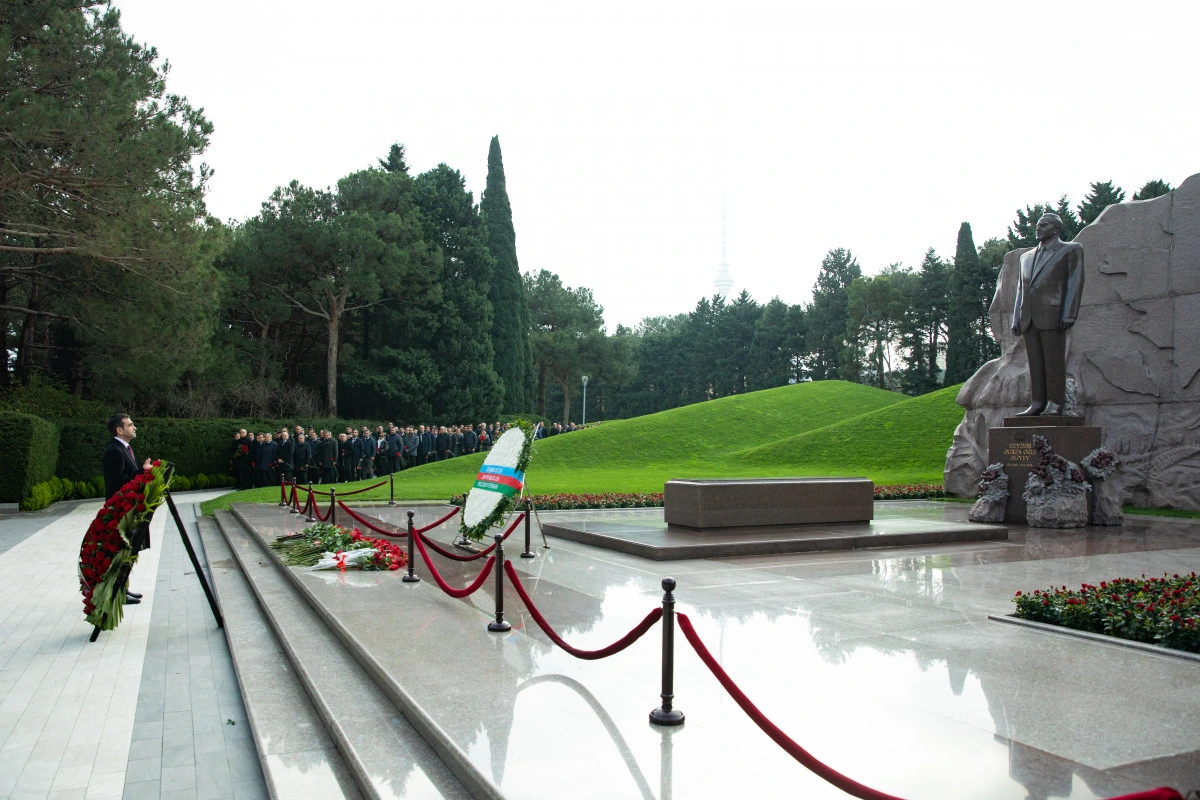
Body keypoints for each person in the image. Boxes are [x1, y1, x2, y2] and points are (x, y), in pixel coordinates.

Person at [1011, 212, 1085, 416]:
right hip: (1029, 317)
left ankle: (1055, 403)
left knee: (1054, 361)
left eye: (1043, 225)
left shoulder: (1071, 250)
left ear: (1056, 229)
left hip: (1053, 315)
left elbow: (1075, 282)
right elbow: (1021, 289)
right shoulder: (1025, 258)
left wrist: (1069, 313)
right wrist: (1016, 317)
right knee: (1035, 363)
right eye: (1037, 225)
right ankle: (1037, 403)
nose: (1038, 228)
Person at [103, 413, 152, 605]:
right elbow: (119, 482)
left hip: (129, 508)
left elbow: (128, 475)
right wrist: (141, 472)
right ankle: (119, 590)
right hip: (121, 510)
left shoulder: (124, 448)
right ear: (119, 429)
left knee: (127, 551)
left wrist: (141, 471)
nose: (135, 428)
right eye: (130, 425)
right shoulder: (114, 451)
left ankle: (122, 588)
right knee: (122, 551)